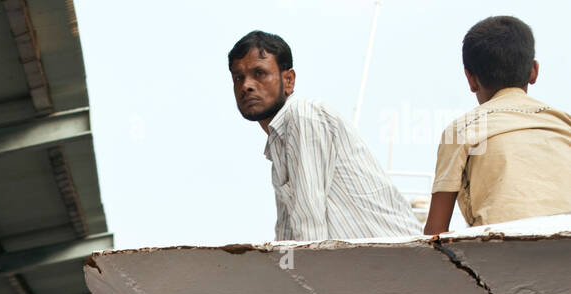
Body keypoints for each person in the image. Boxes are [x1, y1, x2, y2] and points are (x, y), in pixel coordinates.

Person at [229, 29, 421, 242]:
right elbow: (287, 235)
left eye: (259, 73)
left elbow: (309, 224)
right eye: (239, 77)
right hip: (362, 265)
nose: (246, 86)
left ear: (289, 80)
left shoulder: (302, 114)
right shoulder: (278, 144)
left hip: (399, 260)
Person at [425, 15, 571, 234]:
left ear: (471, 79)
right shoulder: (564, 123)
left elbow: (435, 231)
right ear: (534, 71)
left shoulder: (461, 129)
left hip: (501, 249)